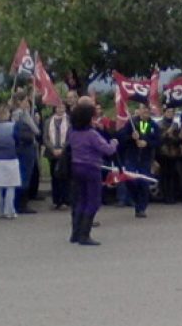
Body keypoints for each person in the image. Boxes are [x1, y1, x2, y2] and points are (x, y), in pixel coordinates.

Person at [69, 102, 118, 245]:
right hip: (91, 168)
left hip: (76, 166)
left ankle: (76, 233)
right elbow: (108, 150)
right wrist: (114, 142)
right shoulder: (91, 134)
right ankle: (85, 234)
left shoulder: (72, 132)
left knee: (81, 200)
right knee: (93, 202)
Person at [116, 103, 160, 218]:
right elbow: (121, 138)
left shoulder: (153, 125)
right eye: (143, 108)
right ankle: (135, 199)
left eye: (147, 109)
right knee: (130, 180)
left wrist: (147, 143)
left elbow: (158, 141)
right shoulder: (131, 123)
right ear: (139, 110)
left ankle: (141, 208)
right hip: (132, 158)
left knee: (144, 182)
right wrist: (131, 137)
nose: (145, 110)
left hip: (145, 159)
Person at [0, 106, 21, 219]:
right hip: (10, 158)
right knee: (11, 186)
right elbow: (17, 139)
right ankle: (9, 210)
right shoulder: (12, 126)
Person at [10, 94, 40, 214]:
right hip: (27, 146)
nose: (28, 104)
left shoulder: (12, 114)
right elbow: (36, 130)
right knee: (25, 174)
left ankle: (16, 202)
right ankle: (22, 205)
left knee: (19, 174)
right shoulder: (23, 114)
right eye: (26, 101)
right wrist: (36, 122)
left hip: (17, 147)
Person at [43, 104, 71, 210]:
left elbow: (70, 136)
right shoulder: (48, 121)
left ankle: (65, 200)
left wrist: (62, 149)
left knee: (65, 177)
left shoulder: (69, 121)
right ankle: (56, 200)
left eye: (62, 107)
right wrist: (52, 148)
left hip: (65, 152)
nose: (60, 109)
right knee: (54, 177)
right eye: (58, 107)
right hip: (52, 153)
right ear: (54, 108)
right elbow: (45, 137)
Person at [157, 107, 182, 205]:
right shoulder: (159, 124)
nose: (170, 114)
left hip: (173, 153)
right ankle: (165, 196)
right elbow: (158, 140)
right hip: (163, 153)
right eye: (168, 112)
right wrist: (167, 134)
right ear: (164, 113)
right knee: (164, 176)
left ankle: (172, 196)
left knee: (173, 175)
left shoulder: (176, 125)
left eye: (172, 112)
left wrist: (173, 137)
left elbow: (179, 140)